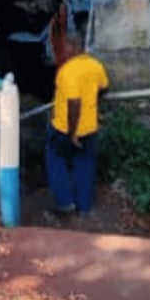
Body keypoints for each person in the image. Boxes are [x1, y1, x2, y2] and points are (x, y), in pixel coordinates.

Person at [45, 30, 109, 215]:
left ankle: (65, 203)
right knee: (85, 165)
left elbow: (74, 103)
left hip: (65, 128)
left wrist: (73, 133)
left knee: (55, 160)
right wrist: (92, 101)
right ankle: (84, 206)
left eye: (62, 46)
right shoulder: (95, 66)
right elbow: (104, 88)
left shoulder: (67, 71)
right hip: (90, 128)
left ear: (71, 47)